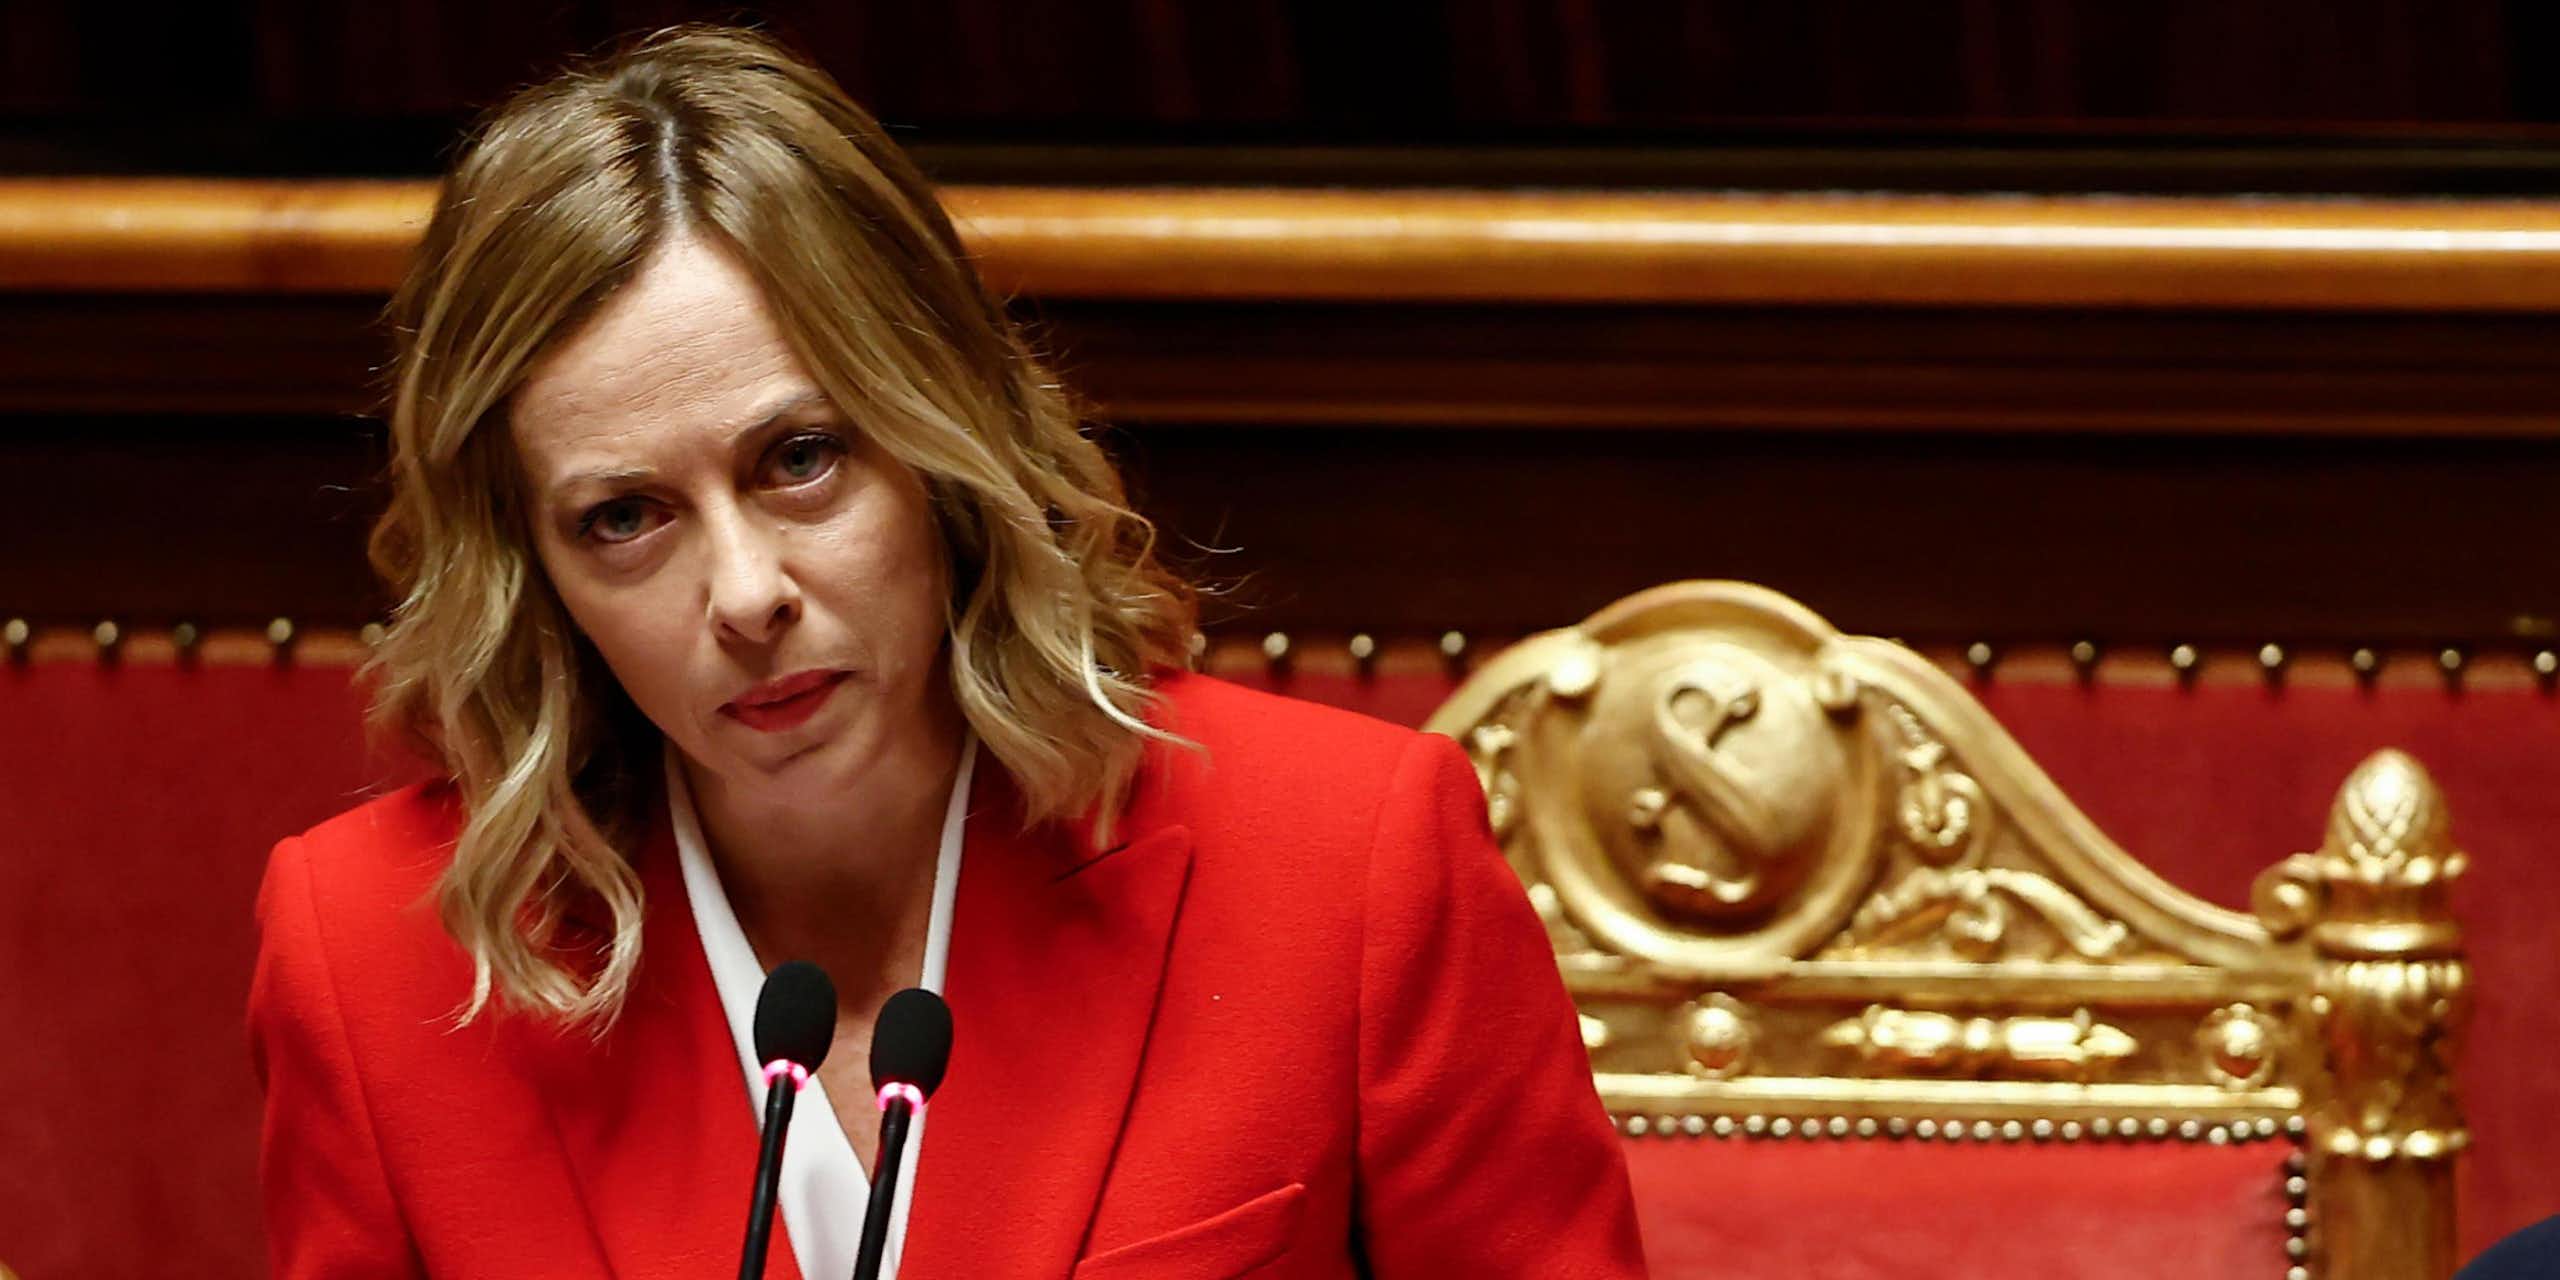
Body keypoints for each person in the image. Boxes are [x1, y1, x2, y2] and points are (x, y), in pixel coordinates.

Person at [246, 24, 1646, 1280]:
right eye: (624, 517)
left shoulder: (1346, 864)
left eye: (800, 460)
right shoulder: (369, 959)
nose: (744, 595)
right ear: (531, 571)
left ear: (939, 442)